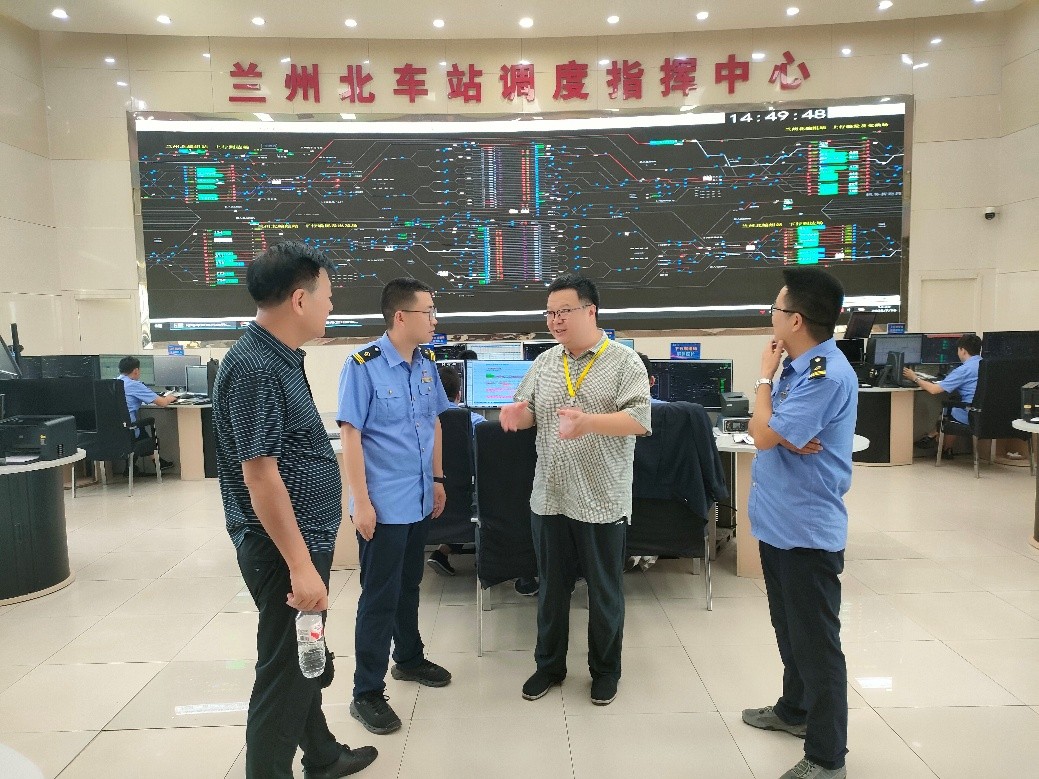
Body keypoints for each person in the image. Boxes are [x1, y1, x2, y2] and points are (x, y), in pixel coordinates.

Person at [213, 241, 377, 779]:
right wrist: (301, 566)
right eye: (327, 295)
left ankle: (323, 756)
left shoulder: (276, 357)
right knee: (285, 674)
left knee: (305, 659)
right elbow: (260, 475)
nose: (332, 305)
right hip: (285, 548)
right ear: (300, 300)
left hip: (298, 542)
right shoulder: (258, 367)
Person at [499, 273, 651, 707]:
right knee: (551, 589)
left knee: (604, 592)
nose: (555, 321)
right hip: (550, 496)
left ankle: (605, 671)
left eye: (564, 311)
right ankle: (549, 665)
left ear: (591, 311)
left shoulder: (624, 362)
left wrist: (589, 423)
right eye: (550, 313)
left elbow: (639, 420)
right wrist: (517, 415)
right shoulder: (546, 361)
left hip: (601, 498)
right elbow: (530, 412)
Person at [742, 267, 857, 779]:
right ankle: (794, 710)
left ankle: (828, 757)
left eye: (775, 307)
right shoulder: (799, 366)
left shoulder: (824, 374)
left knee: (817, 646)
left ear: (795, 319)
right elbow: (769, 429)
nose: (770, 314)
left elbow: (763, 434)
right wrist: (777, 426)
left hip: (807, 531)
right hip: (778, 524)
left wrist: (764, 382)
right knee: (789, 630)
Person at [337, 277, 454, 736]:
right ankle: (366, 691)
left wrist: (438, 480)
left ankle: (408, 658)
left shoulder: (425, 363)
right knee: (379, 596)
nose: (435, 319)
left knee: (409, 585)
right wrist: (361, 502)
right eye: (429, 311)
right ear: (401, 317)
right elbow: (351, 436)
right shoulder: (362, 366)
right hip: (383, 505)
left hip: (419, 498)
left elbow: (435, 423)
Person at [426, 363, 483, 577]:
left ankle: (443, 551)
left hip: (427, 507)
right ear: (459, 395)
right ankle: (484, 557)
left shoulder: (418, 422)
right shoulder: (475, 422)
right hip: (463, 505)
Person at [903, 333, 982, 458]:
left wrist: (914, 378)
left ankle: (934, 437)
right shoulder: (987, 365)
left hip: (972, 416)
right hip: (989, 416)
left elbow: (934, 390)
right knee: (954, 403)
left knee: (948, 410)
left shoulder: (964, 370)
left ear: (962, 350)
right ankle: (942, 445)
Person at [116, 356, 175, 470]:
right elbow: (162, 403)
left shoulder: (113, 383)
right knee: (140, 426)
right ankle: (156, 463)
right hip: (129, 430)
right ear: (136, 370)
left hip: (113, 431)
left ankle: (134, 467)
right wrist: (169, 398)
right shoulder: (134, 385)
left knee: (138, 427)